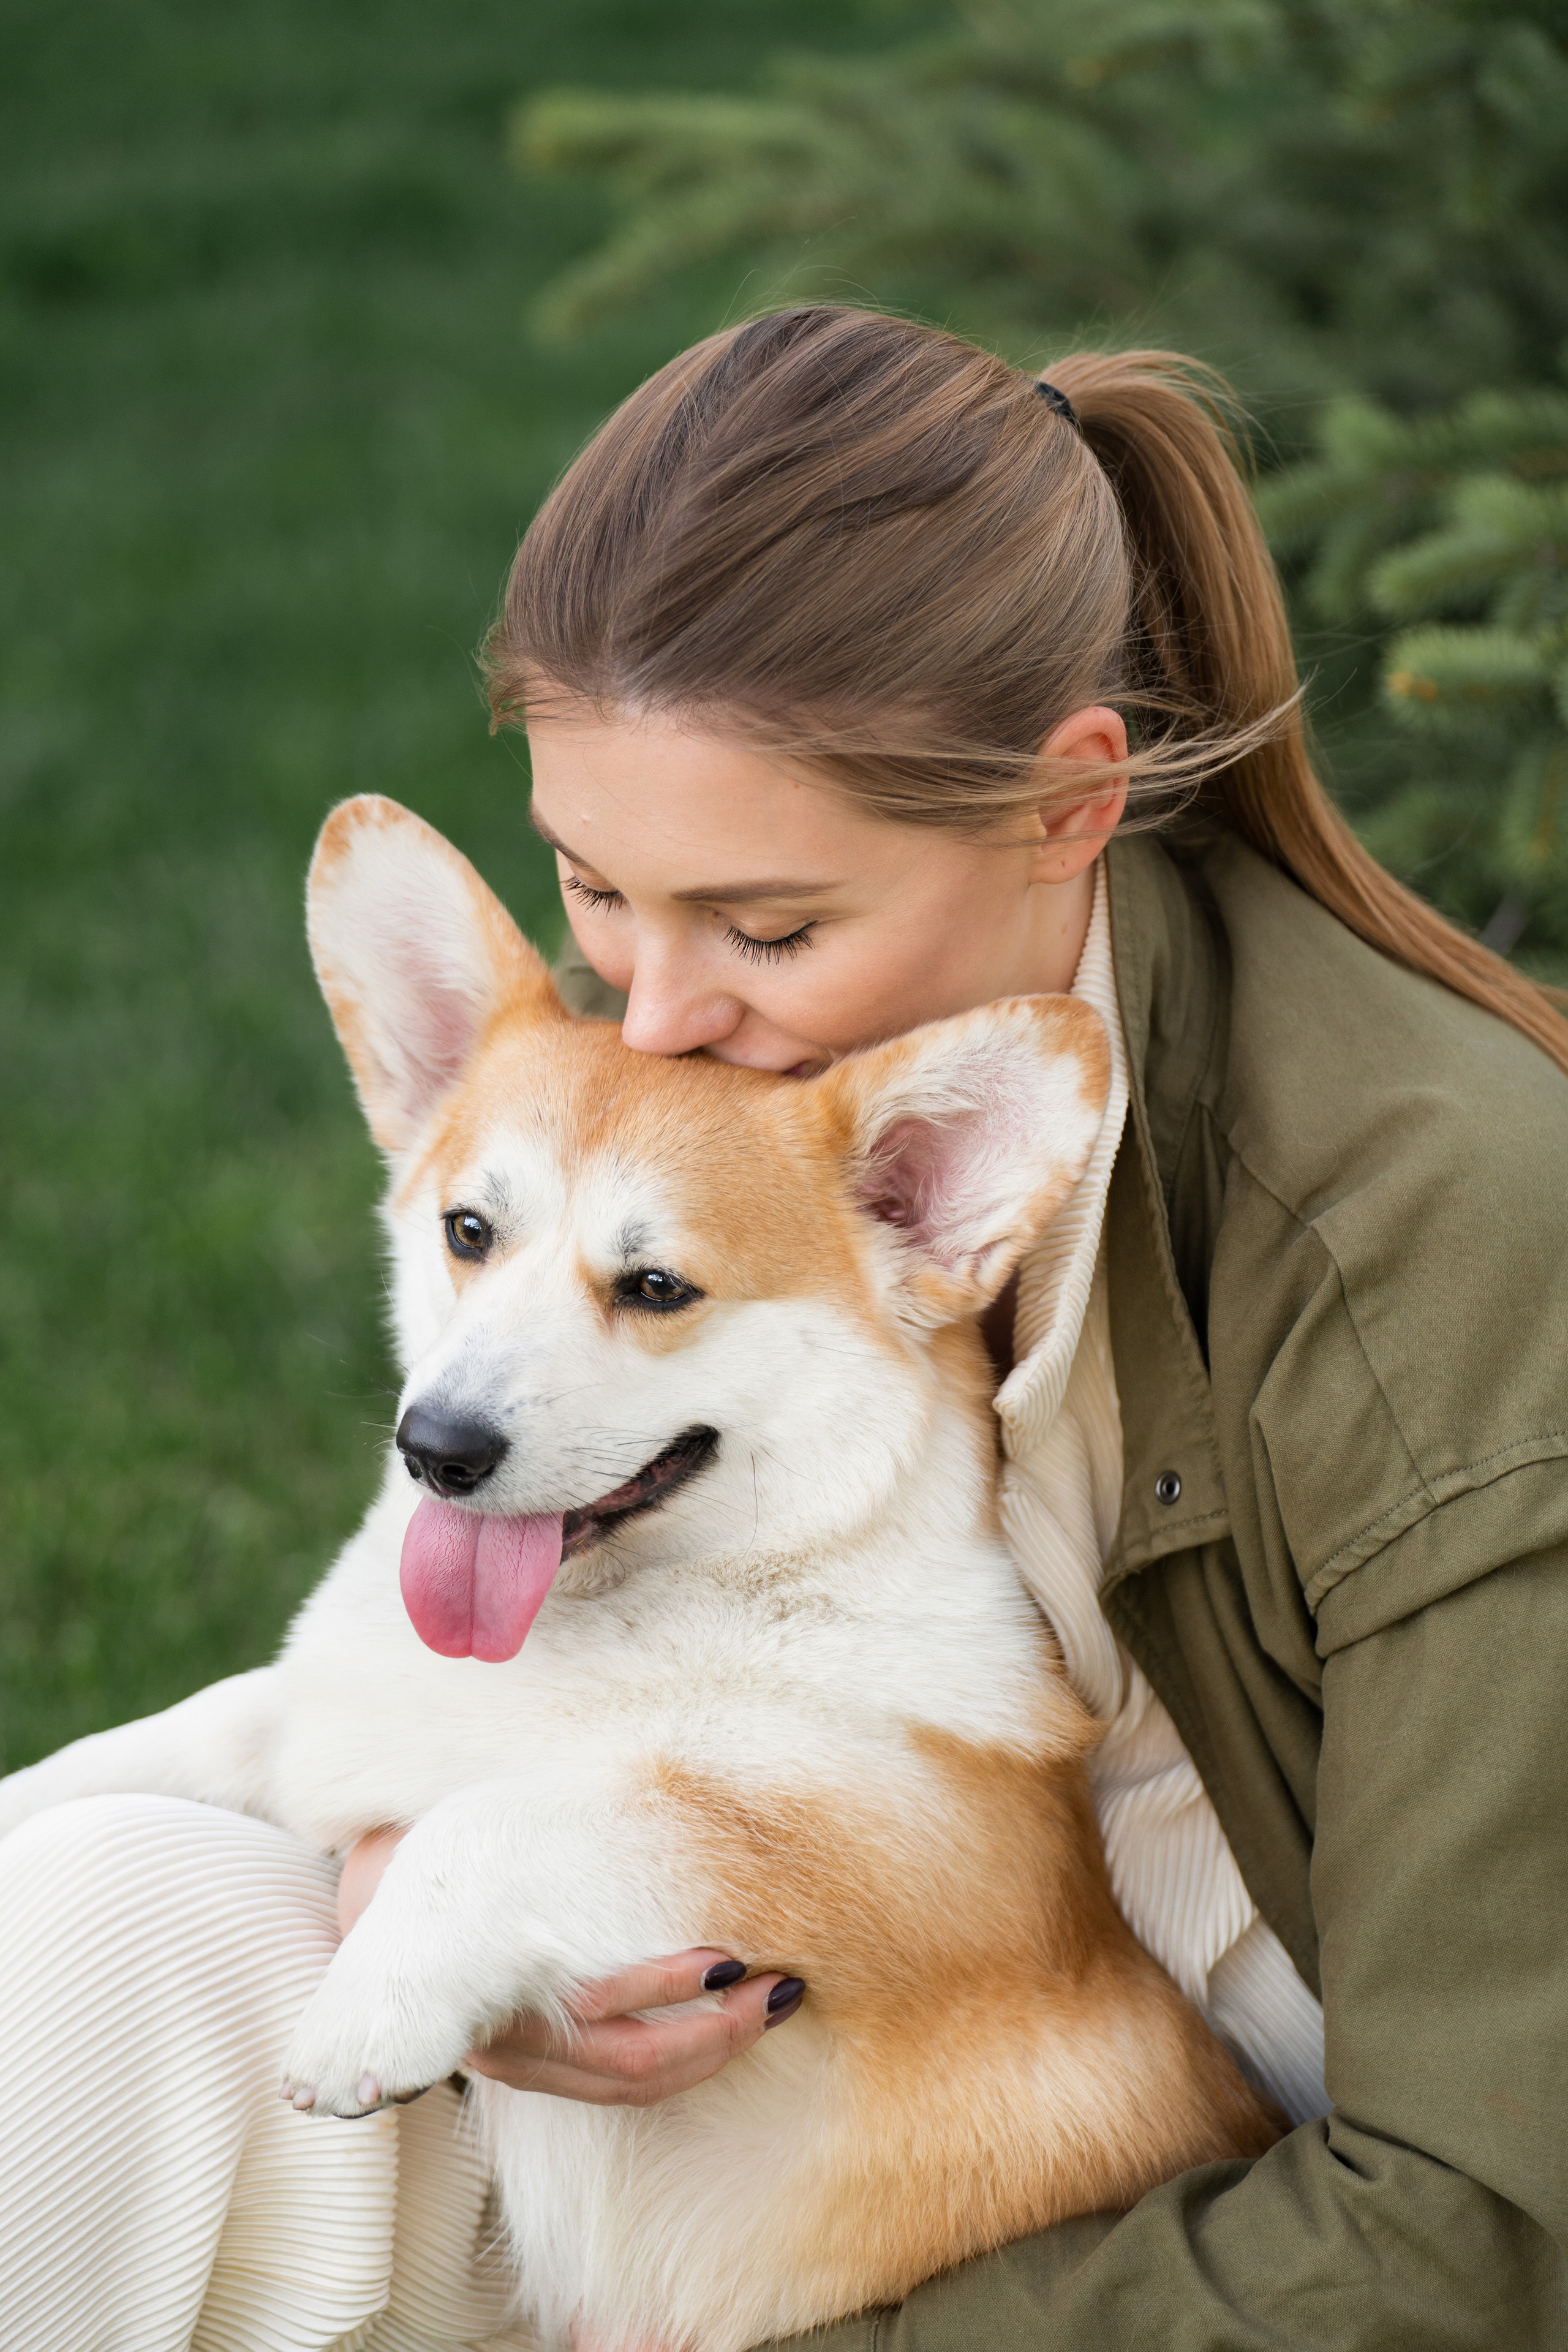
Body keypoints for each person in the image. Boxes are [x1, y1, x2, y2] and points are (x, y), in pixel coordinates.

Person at [2, 305, 1565, 2348]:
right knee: (92, 1932)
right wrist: (439, 1866)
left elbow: (1486, 2240)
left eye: (767, 927)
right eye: (595, 891)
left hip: (1118, 2267)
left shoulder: (1443, 1256)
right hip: (696, 2144)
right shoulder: (753, 1127)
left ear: (1068, 807)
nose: (644, 1024)